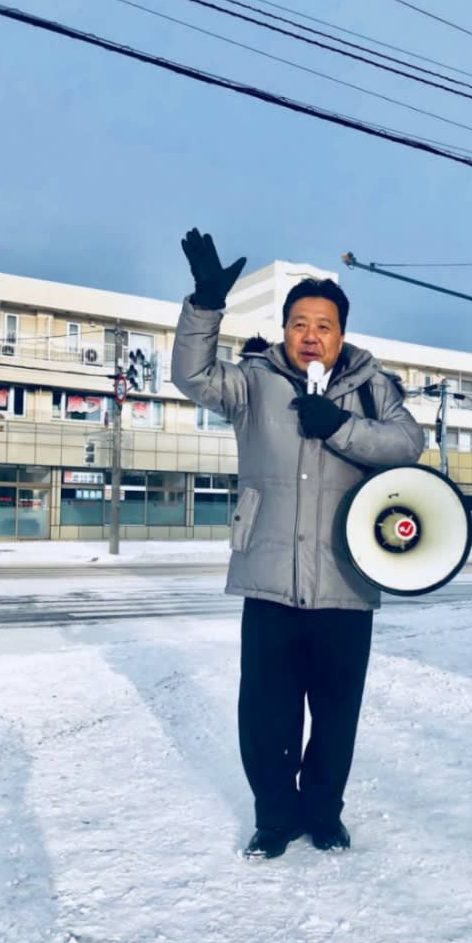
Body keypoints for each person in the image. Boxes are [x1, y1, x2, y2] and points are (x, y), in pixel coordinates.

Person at [171, 229, 424, 859]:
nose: (311, 335)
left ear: (342, 335)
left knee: (335, 718)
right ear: (284, 329)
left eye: (325, 325)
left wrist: (340, 426)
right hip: (270, 577)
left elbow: (406, 445)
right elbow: (191, 374)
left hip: (347, 581)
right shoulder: (254, 383)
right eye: (300, 323)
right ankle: (274, 819)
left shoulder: (373, 388)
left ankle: (324, 816)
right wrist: (204, 305)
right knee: (266, 717)